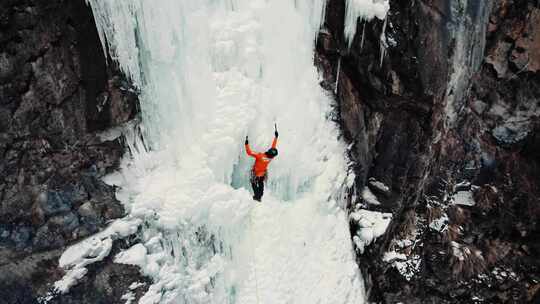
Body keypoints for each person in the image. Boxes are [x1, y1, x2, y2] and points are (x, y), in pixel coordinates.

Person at [245, 129, 278, 201]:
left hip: (256, 173)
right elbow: (274, 146)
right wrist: (276, 137)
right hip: (262, 174)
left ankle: (257, 197)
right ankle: (258, 197)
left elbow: (249, 152)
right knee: (260, 189)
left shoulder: (260, 156)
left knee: (255, 185)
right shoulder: (270, 158)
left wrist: (246, 144)